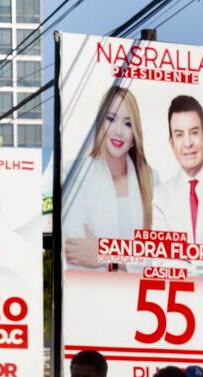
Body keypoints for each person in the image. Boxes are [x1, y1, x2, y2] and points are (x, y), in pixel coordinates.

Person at [64, 86, 156, 269]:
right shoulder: (75, 173)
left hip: (144, 294)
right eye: (111, 119)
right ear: (100, 124)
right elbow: (75, 250)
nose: (119, 131)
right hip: (94, 293)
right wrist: (130, 259)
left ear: (135, 135)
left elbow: (159, 254)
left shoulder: (153, 180)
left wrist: (104, 255)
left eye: (128, 123)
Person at [152, 95, 203, 250]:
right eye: (179, 135)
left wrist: (182, 255)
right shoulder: (159, 197)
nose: (188, 143)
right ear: (171, 144)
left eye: (194, 132)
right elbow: (161, 259)